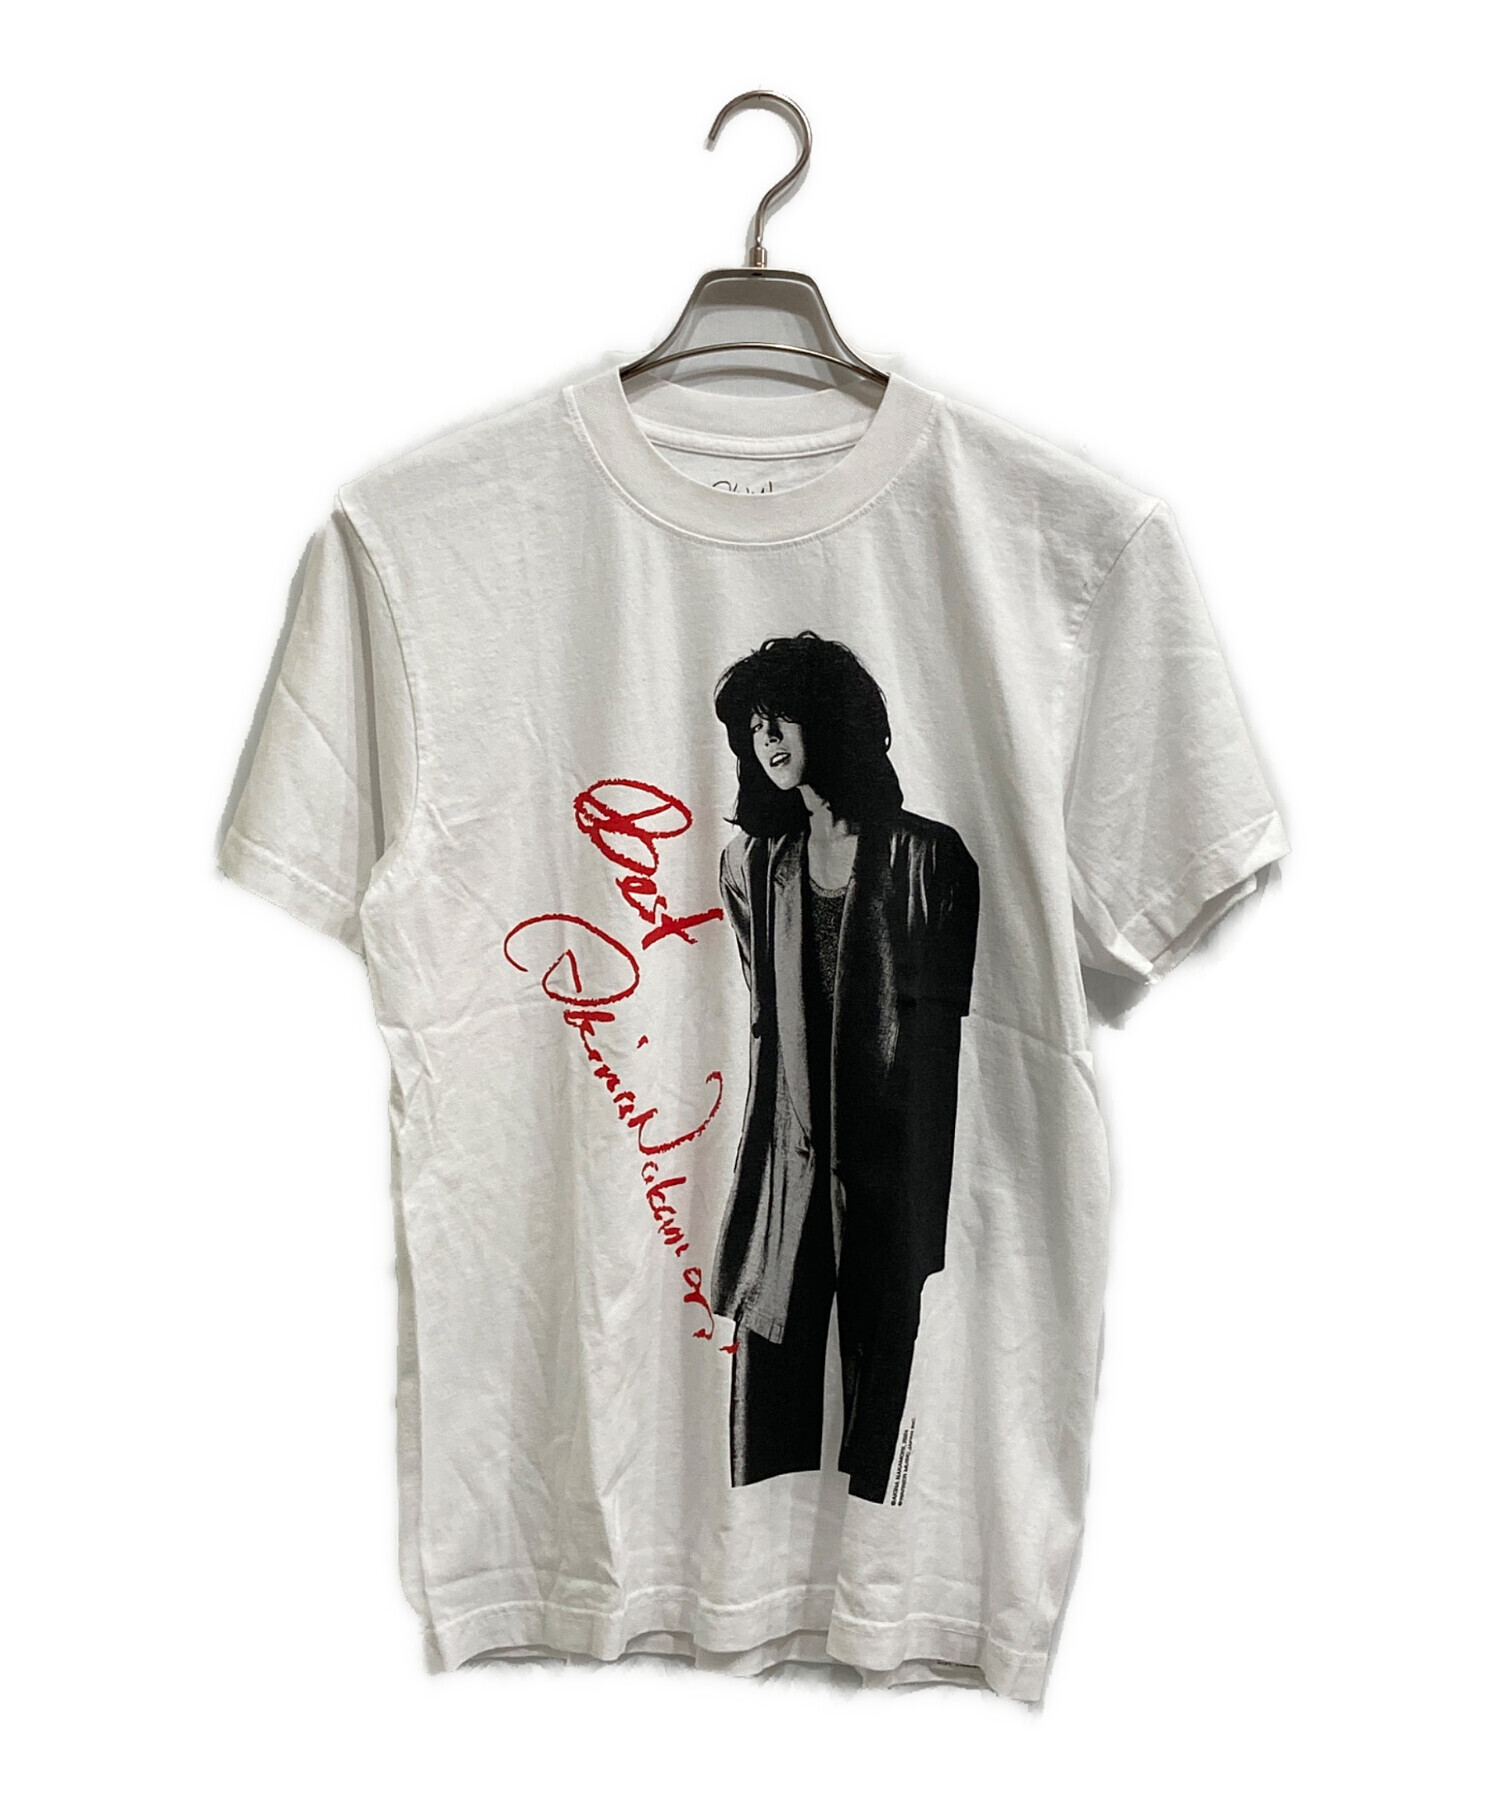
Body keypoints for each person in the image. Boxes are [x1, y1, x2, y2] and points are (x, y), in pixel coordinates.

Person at [708, 630, 980, 1504]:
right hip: (784, 1176)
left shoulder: (932, 859)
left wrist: (923, 1208)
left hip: (889, 1181)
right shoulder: (750, 865)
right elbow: (770, 1029)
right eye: (754, 725)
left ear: (832, 718)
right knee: (767, 1415)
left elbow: (945, 1057)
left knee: (886, 1431)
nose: (767, 738)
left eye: (782, 715)